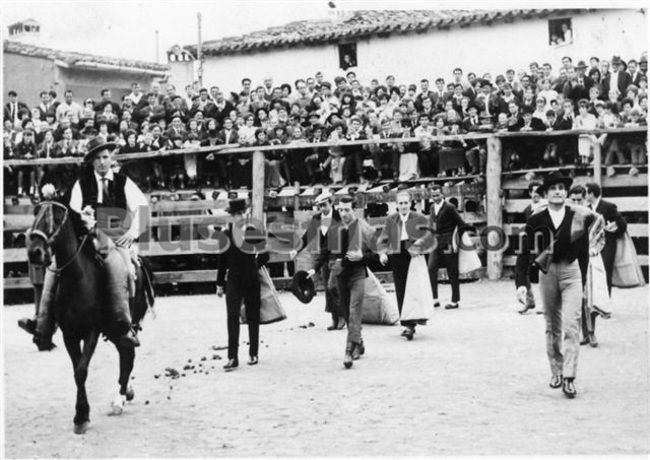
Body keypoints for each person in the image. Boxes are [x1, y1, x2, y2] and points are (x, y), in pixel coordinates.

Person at [35, 136, 148, 350]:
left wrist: (133, 232)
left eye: (105, 157)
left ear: (111, 158)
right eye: (97, 158)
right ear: (92, 161)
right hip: (89, 238)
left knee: (126, 269)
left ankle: (126, 323)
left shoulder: (124, 182)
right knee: (54, 267)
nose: (102, 162)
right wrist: (87, 223)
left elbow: (142, 207)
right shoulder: (82, 183)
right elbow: (73, 211)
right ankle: (42, 325)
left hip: (117, 239)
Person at [516, 172, 603, 399]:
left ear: (566, 193)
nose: (558, 192)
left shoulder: (578, 217)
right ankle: (556, 371)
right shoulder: (536, 219)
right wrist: (521, 282)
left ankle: (569, 377)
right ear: (545, 193)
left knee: (571, 324)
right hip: (547, 273)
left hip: (571, 272)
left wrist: (583, 282)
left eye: (562, 188)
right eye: (553, 188)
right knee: (552, 325)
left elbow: (583, 253)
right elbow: (524, 252)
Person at [216, 198, 270, 371]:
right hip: (233, 280)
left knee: (253, 316)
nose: (238, 217)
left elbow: (265, 255)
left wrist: (255, 263)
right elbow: (222, 260)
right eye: (235, 214)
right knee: (232, 317)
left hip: (251, 278)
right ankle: (232, 357)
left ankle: (253, 352)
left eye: (240, 213)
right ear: (232, 216)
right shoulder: (225, 234)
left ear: (245, 214)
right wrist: (219, 284)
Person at [378, 191, 432, 340]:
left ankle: (412, 323)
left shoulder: (418, 218)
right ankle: (407, 322)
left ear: (410, 203)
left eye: (405, 203)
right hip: (397, 255)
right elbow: (383, 237)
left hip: (413, 255)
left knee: (414, 288)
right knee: (401, 288)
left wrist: (418, 244)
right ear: (396, 205)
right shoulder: (391, 220)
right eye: (400, 203)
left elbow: (428, 235)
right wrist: (382, 253)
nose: (403, 206)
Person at [331, 195, 376, 368]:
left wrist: (362, 256)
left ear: (354, 210)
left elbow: (378, 255)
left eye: (347, 210)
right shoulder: (335, 229)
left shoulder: (364, 228)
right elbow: (330, 254)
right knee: (346, 312)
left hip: (357, 274)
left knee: (354, 311)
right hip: (342, 275)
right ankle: (359, 341)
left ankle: (349, 350)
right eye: (340, 210)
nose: (343, 213)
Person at [293, 192, 344, 331]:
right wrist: (296, 249)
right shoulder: (317, 218)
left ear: (331, 203)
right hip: (325, 255)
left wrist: (315, 266)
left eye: (324, 205)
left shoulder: (338, 217)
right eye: (320, 206)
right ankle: (335, 318)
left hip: (338, 254)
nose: (322, 208)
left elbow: (332, 243)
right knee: (328, 287)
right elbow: (308, 235)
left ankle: (342, 316)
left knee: (334, 285)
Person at [567, 185, 611, 348]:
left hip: (591, 260)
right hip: (572, 261)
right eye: (574, 200)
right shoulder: (565, 218)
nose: (577, 202)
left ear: (585, 199)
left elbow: (602, 239)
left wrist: (593, 250)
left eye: (580, 199)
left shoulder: (596, 218)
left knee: (591, 297)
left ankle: (591, 332)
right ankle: (581, 333)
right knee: (576, 297)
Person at [427, 184, 466, 310]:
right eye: (433, 196)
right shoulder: (432, 207)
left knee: (452, 270)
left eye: (437, 195)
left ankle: (455, 300)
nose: (435, 198)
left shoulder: (450, 207)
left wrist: (456, 240)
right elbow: (432, 224)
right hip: (436, 241)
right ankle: (434, 298)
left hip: (448, 241)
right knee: (431, 267)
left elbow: (461, 224)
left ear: (443, 194)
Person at [584, 182, 627, 295]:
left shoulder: (608, 206)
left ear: (591, 194)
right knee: (592, 273)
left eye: (586, 193)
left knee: (605, 273)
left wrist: (612, 229)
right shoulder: (587, 208)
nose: (585, 196)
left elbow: (622, 224)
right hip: (591, 246)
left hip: (607, 245)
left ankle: (605, 304)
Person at [516, 181, 544, 314]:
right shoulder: (527, 209)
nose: (536, 194)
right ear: (530, 193)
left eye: (539, 191)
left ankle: (546, 304)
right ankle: (529, 300)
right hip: (528, 242)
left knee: (543, 273)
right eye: (534, 192)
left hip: (543, 243)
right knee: (521, 269)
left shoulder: (546, 208)